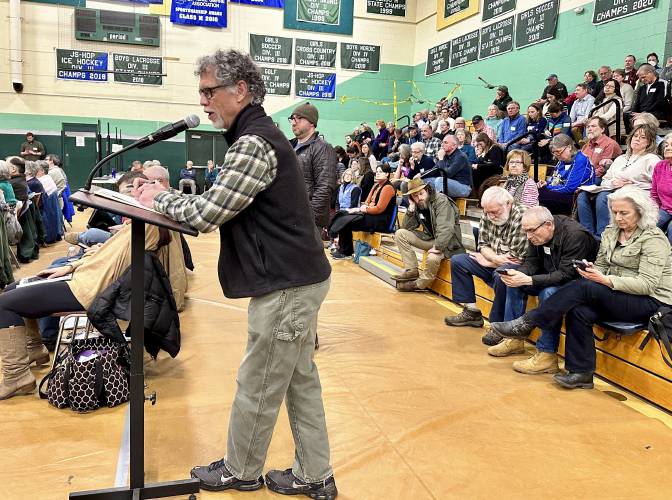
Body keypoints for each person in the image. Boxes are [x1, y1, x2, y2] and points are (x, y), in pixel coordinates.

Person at [136, 49, 337, 497]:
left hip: (288, 284)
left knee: (259, 382)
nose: (203, 100)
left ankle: (241, 469)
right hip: (299, 277)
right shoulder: (254, 137)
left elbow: (206, 213)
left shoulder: (254, 143)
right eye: (201, 91)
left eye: (210, 91)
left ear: (240, 90)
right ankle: (315, 475)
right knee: (299, 381)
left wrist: (158, 199)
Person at [0, 172, 186, 400]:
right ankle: (35, 348)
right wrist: (70, 266)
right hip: (84, 279)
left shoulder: (150, 224)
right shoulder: (136, 223)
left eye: (134, 190)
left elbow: (175, 210)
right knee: (14, 289)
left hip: (88, 290)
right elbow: (107, 254)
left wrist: (156, 194)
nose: (131, 194)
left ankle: (16, 375)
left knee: (4, 304)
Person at [491, 187, 672, 389]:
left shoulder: (654, 239)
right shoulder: (611, 233)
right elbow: (603, 265)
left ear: (641, 211)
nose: (618, 218)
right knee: (579, 310)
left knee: (584, 288)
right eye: (614, 212)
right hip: (619, 294)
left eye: (624, 213)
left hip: (651, 301)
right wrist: (594, 271)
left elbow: (647, 284)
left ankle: (528, 322)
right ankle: (581, 373)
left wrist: (604, 280)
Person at [488, 207, 600, 374]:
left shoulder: (576, 235)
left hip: (575, 284)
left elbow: (567, 274)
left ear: (548, 225)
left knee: (549, 293)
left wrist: (529, 279)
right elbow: (532, 262)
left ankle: (547, 354)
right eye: (525, 231)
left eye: (531, 231)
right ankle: (514, 339)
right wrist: (520, 274)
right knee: (514, 281)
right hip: (550, 275)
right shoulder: (535, 232)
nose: (528, 236)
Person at [444, 187, 527, 329]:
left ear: (508, 204)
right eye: (487, 212)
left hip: (515, 267)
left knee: (502, 274)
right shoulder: (488, 212)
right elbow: (482, 245)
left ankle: (497, 325)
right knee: (459, 261)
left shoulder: (522, 216)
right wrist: (494, 258)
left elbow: (516, 258)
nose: (491, 216)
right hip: (494, 260)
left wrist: (489, 262)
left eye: (495, 212)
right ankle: (472, 312)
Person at [578, 124, 659, 239]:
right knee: (582, 196)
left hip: (636, 193)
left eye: (643, 137)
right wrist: (613, 183)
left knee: (604, 196)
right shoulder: (620, 159)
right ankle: (587, 235)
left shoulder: (652, 159)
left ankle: (603, 236)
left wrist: (633, 184)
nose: (637, 139)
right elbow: (605, 180)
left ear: (649, 142)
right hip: (612, 188)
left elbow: (656, 185)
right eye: (635, 136)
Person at [392, 176, 464, 292]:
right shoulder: (417, 205)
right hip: (431, 239)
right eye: (415, 196)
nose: (419, 197)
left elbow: (445, 228)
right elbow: (406, 227)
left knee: (432, 258)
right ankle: (412, 270)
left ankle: (418, 284)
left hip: (448, 242)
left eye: (421, 193)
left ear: (427, 190)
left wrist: (438, 247)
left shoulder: (441, 201)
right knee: (400, 233)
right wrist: (411, 209)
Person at [289, 102, 338, 233]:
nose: (294, 122)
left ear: (311, 122)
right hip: (288, 217)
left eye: (298, 118)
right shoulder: (289, 146)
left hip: (307, 222)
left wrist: (309, 218)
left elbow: (325, 187)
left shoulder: (322, 148)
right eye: (292, 119)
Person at [331, 164, 396, 260]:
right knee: (343, 216)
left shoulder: (388, 188)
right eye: (377, 172)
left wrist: (365, 209)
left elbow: (379, 209)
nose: (377, 174)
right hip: (370, 214)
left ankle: (346, 252)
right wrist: (364, 208)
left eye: (380, 172)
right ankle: (342, 249)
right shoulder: (375, 185)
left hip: (380, 219)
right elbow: (366, 202)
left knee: (347, 222)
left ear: (387, 174)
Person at [538, 134, 594, 215]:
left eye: (558, 151)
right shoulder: (562, 160)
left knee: (537, 194)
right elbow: (555, 180)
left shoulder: (580, 160)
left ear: (569, 147)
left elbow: (569, 188)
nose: (557, 155)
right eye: (554, 153)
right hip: (561, 193)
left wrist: (547, 187)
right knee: (534, 192)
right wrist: (546, 183)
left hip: (574, 198)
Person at [580, 116, 622, 185]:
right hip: (587, 176)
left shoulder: (610, 144)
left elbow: (602, 170)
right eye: (588, 127)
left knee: (581, 190)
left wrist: (584, 177)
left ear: (602, 129)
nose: (589, 129)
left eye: (593, 126)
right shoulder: (586, 145)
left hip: (602, 178)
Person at [652, 133, 672, 243]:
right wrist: (654, 211)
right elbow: (654, 193)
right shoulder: (660, 166)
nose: (668, 148)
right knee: (649, 227)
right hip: (665, 209)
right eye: (666, 145)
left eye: (671, 145)